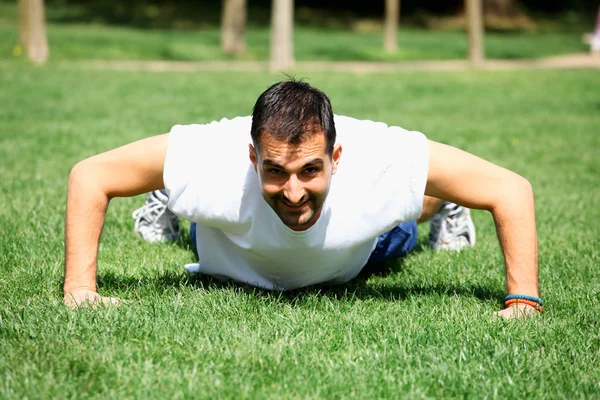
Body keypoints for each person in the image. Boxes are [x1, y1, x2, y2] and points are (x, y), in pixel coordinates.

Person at [63, 79, 541, 318]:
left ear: (336, 155)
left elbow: (510, 189)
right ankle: (164, 197)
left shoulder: (380, 158)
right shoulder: (214, 159)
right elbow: (90, 176)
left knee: (405, 225)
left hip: (353, 251)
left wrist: (524, 301)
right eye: (275, 171)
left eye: (310, 170)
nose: (293, 192)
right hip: (229, 240)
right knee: (206, 210)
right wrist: (81, 291)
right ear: (252, 158)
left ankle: (446, 205)